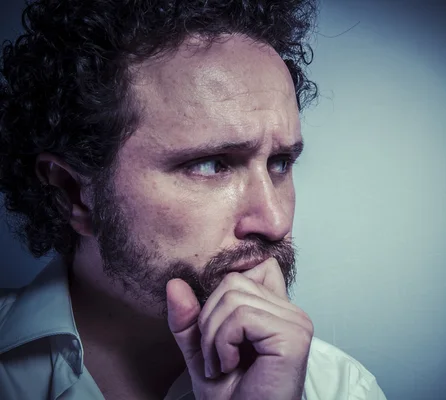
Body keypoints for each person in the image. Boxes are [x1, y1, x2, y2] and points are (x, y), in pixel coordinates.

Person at [0, 0, 386, 399]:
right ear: (73, 193)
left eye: (279, 163)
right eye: (211, 165)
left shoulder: (341, 388)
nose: (275, 221)